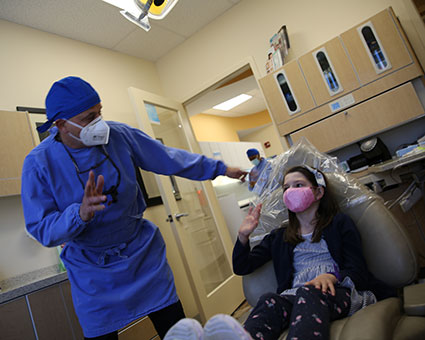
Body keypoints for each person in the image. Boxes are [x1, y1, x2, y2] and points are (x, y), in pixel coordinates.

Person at [21, 76, 247, 340]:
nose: (99, 122)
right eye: (89, 117)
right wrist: (79, 214)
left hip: (142, 257)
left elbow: (170, 158)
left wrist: (220, 168)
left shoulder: (119, 135)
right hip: (92, 273)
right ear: (61, 125)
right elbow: (42, 229)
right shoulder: (38, 163)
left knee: (175, 327)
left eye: (100, 112)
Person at [163, 165, 395, 340]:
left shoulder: (340, 224)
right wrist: (243, 236)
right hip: (295, 297)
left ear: (318, 192)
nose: (290, 191)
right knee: (269, 300)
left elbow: (358, 269)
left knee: (310, 292)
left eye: (299, 185)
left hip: (340, 290)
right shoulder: (280, 236)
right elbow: (242, 267)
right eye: (286, 188)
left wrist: (332, 276)